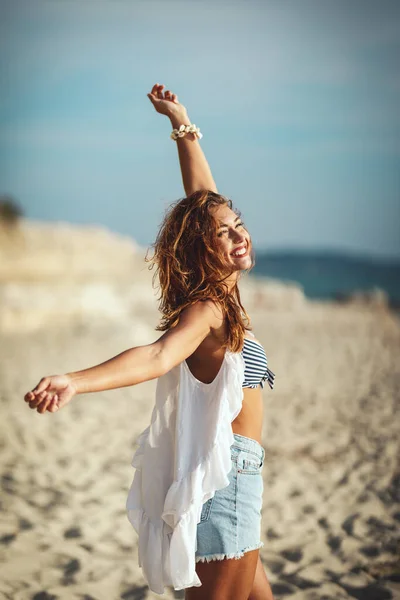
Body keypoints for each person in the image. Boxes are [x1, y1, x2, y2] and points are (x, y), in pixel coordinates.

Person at [23, 83, 275, 600]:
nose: (238, 235)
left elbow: (203, 201)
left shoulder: (224, 300)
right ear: (203, 249)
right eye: (225, 233)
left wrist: (181, 123)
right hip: (225, 489)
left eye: (240, 225)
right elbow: (158, 356)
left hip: (238, 482)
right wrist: (75, 380)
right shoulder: (207, 310)